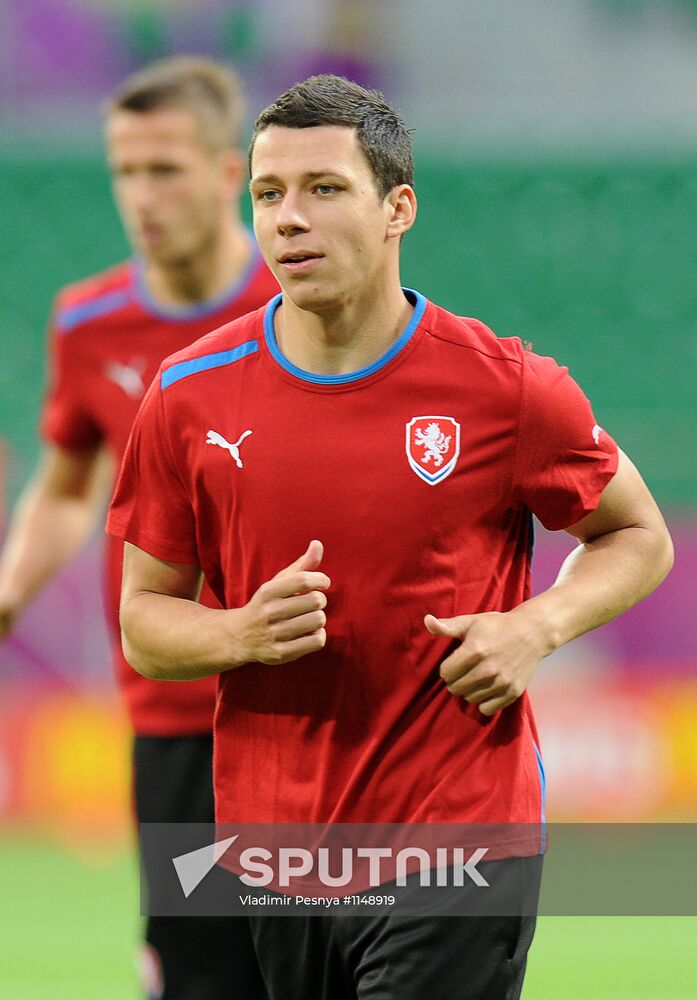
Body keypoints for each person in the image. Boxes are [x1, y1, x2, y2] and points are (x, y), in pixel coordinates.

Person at [107, 75, 674, 1000]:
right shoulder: (186, 396)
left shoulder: (505, 389)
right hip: (276, 852)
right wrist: (238, 634)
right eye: (267, 193)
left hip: (457, 838)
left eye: (324, 189)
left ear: (396, 207)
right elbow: (144, 620)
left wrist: (535, 625)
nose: (289, 218)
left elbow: (638, 536)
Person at [0, 57, 277, 1000]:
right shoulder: (89, 321)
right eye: (125, 170)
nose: (141, 194)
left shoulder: (304, 309)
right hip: (173, 713)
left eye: (164, 168)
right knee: (201, 978)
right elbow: (67, 486)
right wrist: (9, 590)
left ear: (224, 170)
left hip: (313, 714)